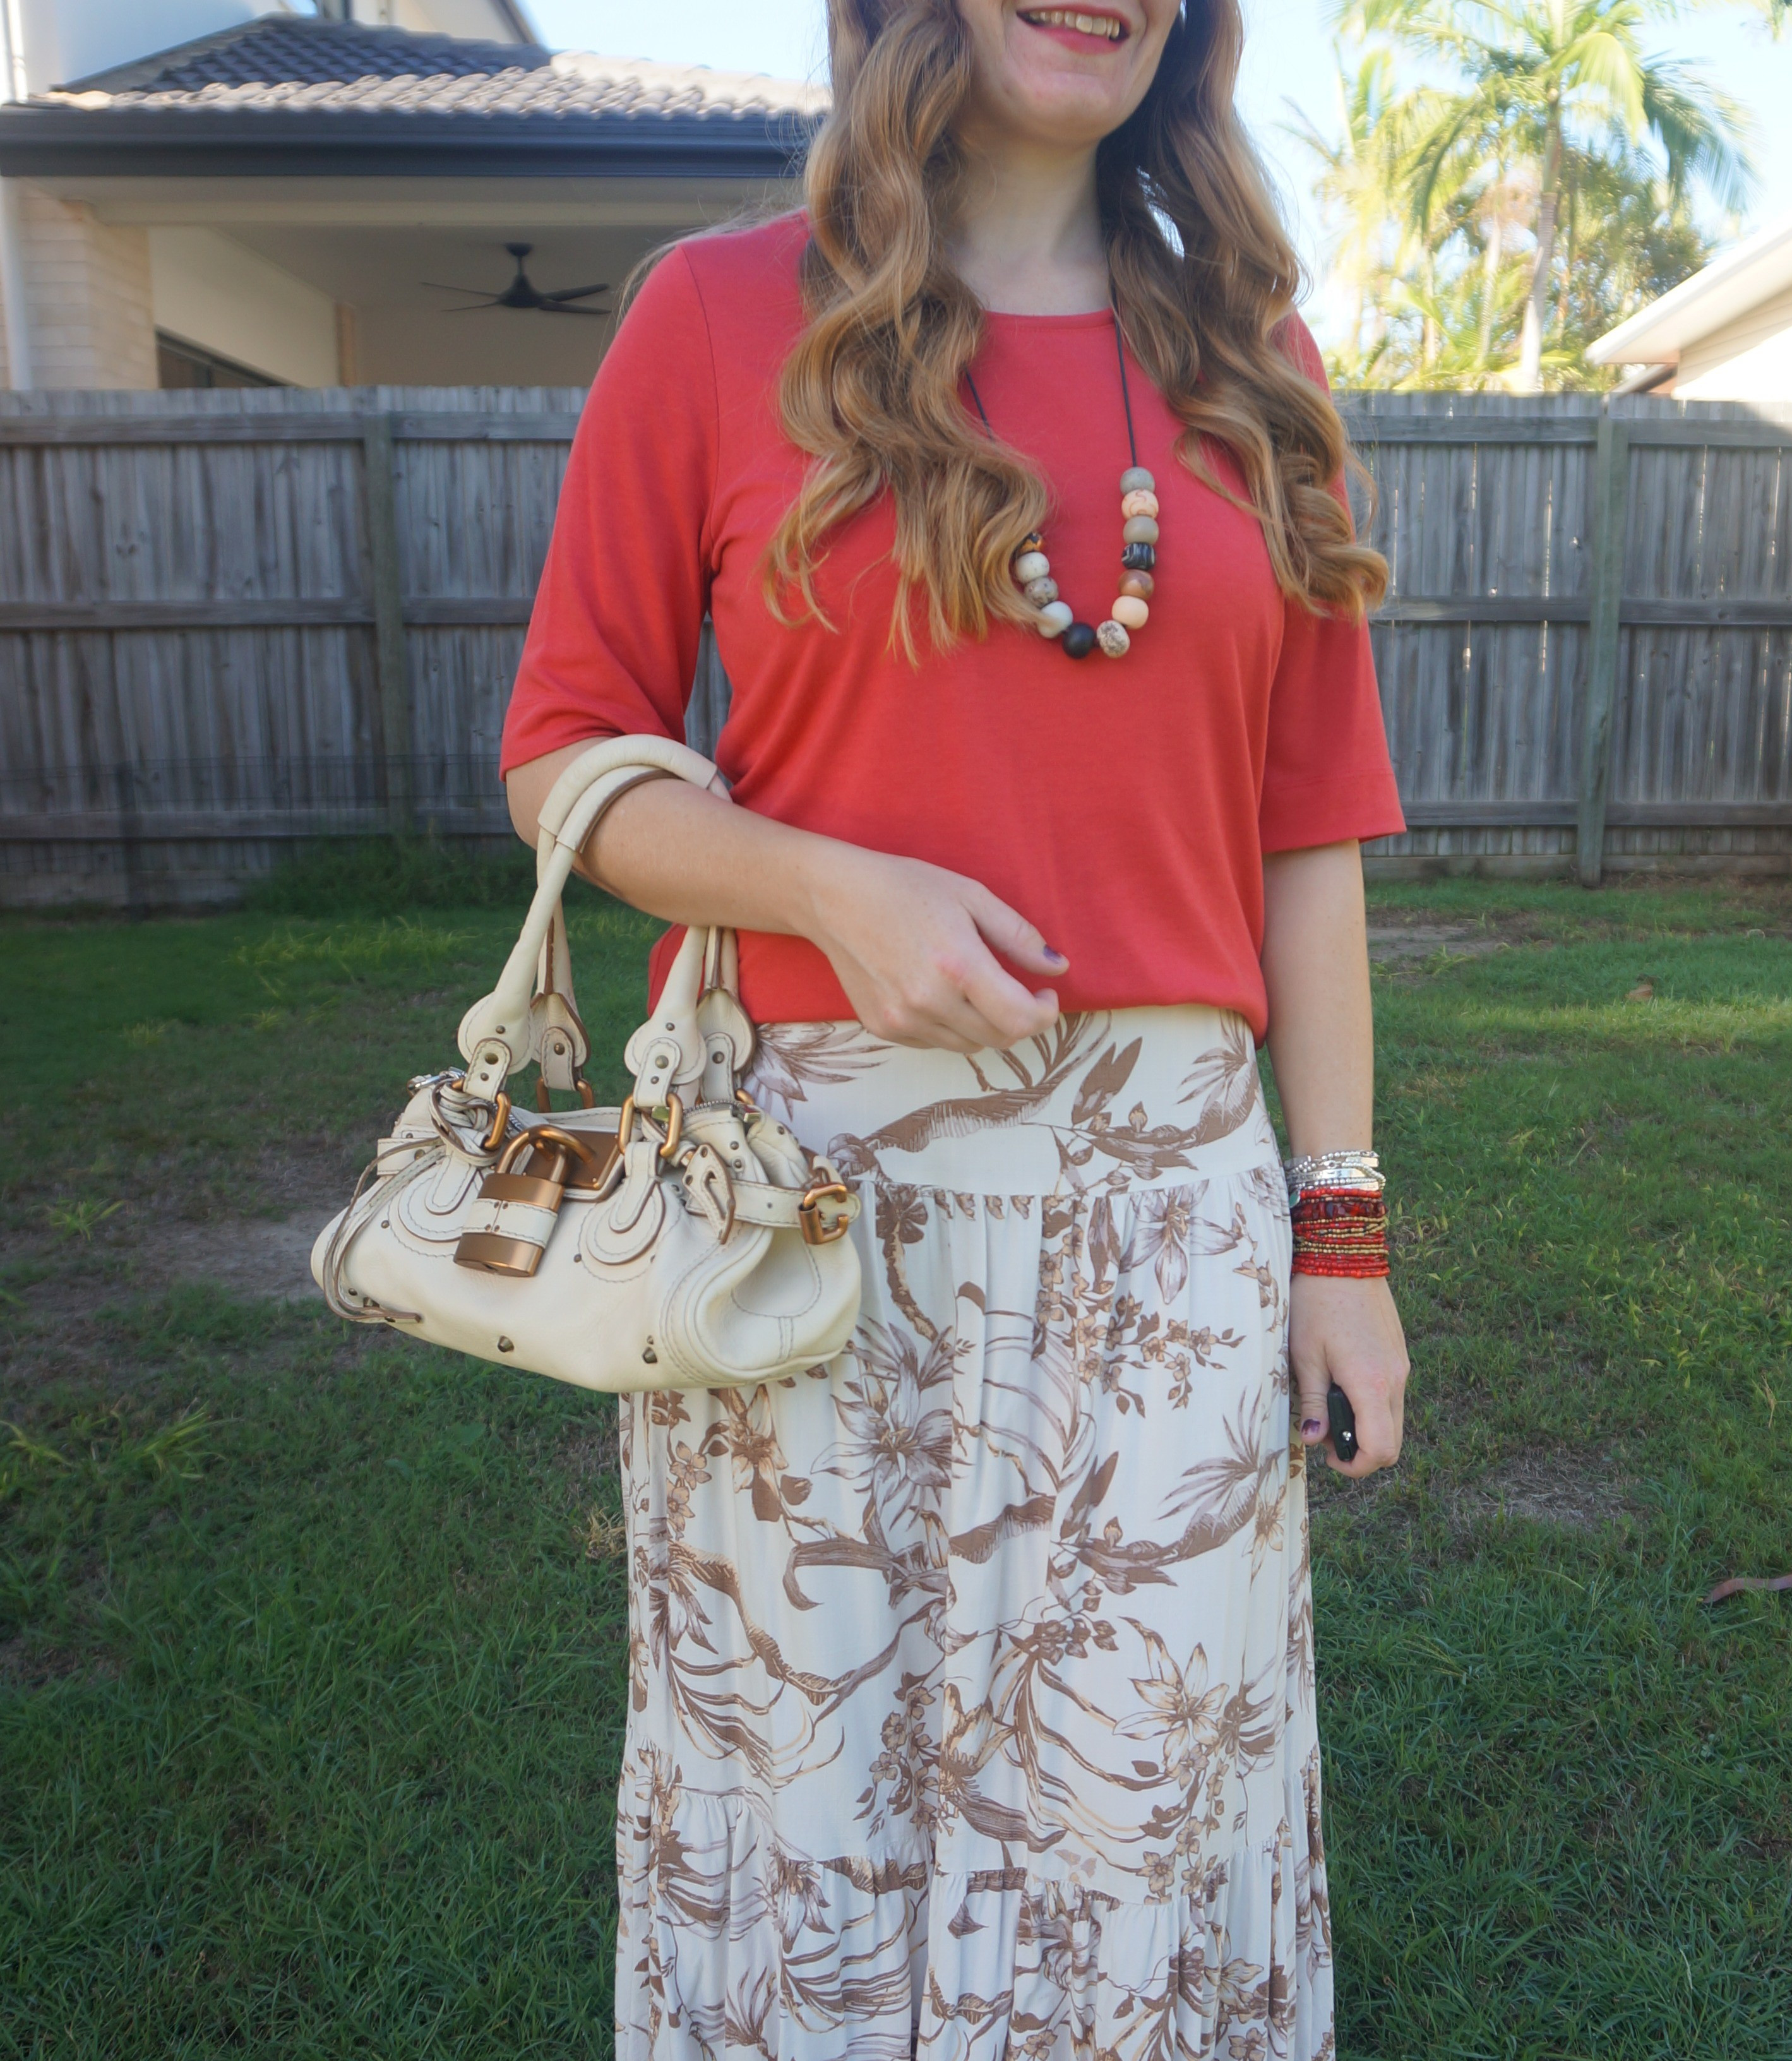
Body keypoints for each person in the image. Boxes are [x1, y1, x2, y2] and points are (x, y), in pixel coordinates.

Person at [501, 1, 1411, 2052]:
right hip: (802, 1219)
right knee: (807, 1806)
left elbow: (1312, 839)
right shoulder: (724, 323)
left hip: (1174, 1221)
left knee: (1141, 1806)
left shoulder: (1257, 369)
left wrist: (1338, 1239)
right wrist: (828, 886)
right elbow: (566, 754)